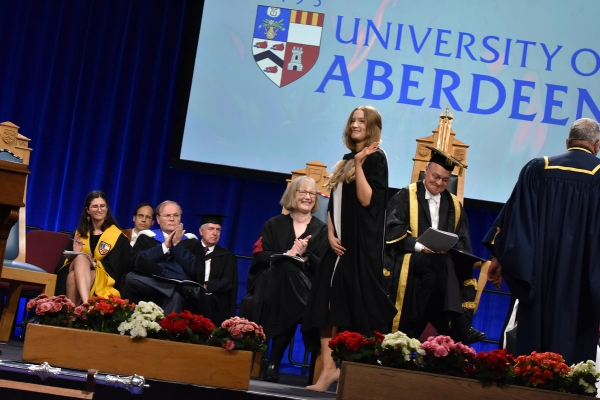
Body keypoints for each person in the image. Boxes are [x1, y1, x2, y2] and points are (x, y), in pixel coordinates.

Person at [484, 118, 600, 365]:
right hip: (580, 288)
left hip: (538, 280)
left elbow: (514, 221)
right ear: (597, 145)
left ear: (567, 142)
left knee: (534, 362)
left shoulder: (538, 169)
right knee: (574, 365)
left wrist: (497, 257)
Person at [302, 106, 397, 392]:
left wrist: (359, 163)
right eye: (352, 120)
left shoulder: (375, 159)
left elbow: (367, 200)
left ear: (372, 127)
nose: (355, 125)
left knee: (345, 307)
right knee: (324, 305)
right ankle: (328, 370)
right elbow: (334, 203)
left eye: (361, 121)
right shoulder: (345, 160)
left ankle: (343, 371)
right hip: (338, 244)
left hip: (359, 248)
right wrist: (330, 234)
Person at [384, 147, 485, 344]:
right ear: (426, 170)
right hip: (409, 261)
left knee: (435, 277)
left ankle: (408, 336)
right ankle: (460, 325)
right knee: (443, 264)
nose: (439, 183)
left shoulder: (454, 205)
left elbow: (462, 241)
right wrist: (421, 246)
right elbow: (391, 230)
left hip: (437, 268)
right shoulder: (405, 196)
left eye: (445, 180)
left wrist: (452, 250)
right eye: (435, 177)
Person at [240, 176, 329, 383]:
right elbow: (261, 256)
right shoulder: (273, 224)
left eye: (311, 193)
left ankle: (273, 361)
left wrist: (306, 257)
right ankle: (274, 360)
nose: (307, 197)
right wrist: (288, 255)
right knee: (289, 272)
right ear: (292, 195)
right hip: (271, 284)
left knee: (290, 294)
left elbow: (324, 267)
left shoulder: (322, 230)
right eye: (302, 192)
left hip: (304, 286)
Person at [124, 200, 207, 315]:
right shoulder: (146, 238)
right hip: (151, 286)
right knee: (130, 277)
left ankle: (173, 293)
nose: (172, 219)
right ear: (158, 219)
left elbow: (195, 270)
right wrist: (164, 247)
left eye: (175, 215)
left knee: (175, 296)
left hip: (179, 293)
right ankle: (174, 288)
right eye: (167, 215)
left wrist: (177, 245)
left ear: (180, 218)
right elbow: (137, 261)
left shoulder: (192, 242)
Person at [55, 190, 130, 305]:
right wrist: (75, 254)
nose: (99, 210)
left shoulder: (118, 237)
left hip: (102, 277)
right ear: (87, 210)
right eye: (95, 206)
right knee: (80, 258)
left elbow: (118, 269)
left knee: (72, 277)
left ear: (107, 208)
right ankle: (86, 303)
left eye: (102, 206)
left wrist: (93, 262)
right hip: (78, 267)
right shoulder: (79, 233)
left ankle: (73, 312)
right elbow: (61, 266)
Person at [195, 213, 238, 326]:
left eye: (218, 230)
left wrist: (206, 286)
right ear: (201, 231)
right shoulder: (191, 251)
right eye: (211, 229)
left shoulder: (226, 256)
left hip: (214, 300)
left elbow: (227, 282)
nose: (215, 233)